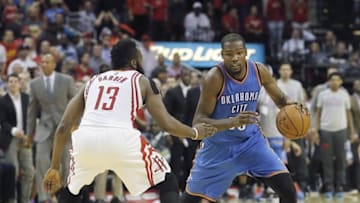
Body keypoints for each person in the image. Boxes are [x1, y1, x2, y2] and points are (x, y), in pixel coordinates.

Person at [42, 39, 217, 203]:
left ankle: (63, 194)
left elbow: (64, 125)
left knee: (72, 192)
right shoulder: (141, 80)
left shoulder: (92, 81)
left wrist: (55, 167)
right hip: (121, 139)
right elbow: (166, 124)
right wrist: (194, 132)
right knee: (167, 181)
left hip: (86, 140)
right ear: (134, 63)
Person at [181, 33, 300, 203]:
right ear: (222, 55)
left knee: (288, 191)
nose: (235, 58)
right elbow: (199, 121)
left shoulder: (259, 71)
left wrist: (292, 105)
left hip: (251, 143)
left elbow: (281, 100)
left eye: (239, 53)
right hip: (218, 148)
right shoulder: (214, 78)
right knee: (188, 201)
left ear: (245, 53)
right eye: (229, 54)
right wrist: (233, 121)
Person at [26, 53, 76, 203]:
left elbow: (76, 103)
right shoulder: (34, 84)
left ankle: (67, 196)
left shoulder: (66, 80)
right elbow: (32, 111)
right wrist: (29, 135)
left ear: (54, 64)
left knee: (67, 162)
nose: (44, 64)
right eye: (42, 62)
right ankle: (44, 198)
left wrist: (76, 124)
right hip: (44, 127)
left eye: (47, 62)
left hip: (64, 126)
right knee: (41, 161)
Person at [314, 72, 357, 199]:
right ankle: (328, 186)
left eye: (338, 80)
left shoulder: (345, 95)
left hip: (341, 130)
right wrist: (315, 130)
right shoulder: (322, 95)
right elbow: (318, 113)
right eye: (332, 79)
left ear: (341, 82)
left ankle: (339, 185)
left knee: (341, 159)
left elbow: (349, 115)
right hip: (326, 130)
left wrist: (352, 131)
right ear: (329, 81)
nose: (335, 82)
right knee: (327, 160)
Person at [0, 74, 34, 203]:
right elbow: (2, 122)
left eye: (15, 81)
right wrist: (15, 131)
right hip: (10, 139)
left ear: (20, 84)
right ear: (7, 84)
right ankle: (12, 200)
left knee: (29, 171)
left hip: (25, 138)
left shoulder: (27, 98)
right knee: (12, 172)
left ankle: (25, 200)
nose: (12, 84)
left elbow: (31, 117)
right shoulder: (3, 101)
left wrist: (29, 134)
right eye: (10, 81)